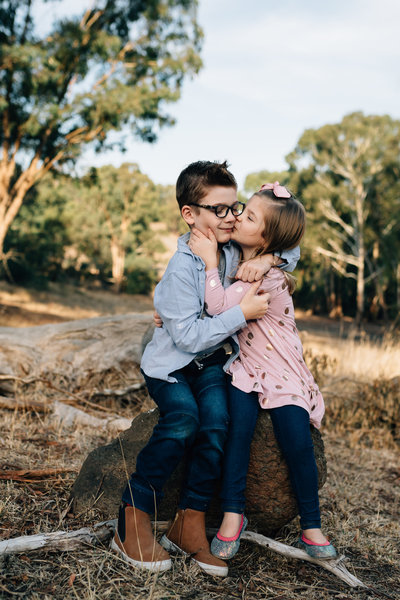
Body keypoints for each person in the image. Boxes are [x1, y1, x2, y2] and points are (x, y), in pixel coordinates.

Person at [111, 162, 299, 576]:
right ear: (190, 214)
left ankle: (189, 522)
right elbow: (187, 339)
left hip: (213, 360)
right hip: (173, 366)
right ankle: (134, 513)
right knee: (183, 421)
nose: (232, 218)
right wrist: (242, 313)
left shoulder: (234, 245)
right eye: (220, 209)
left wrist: (268, 260)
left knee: (216, 423)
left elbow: (291, 243)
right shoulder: (181, 269)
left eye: (237, 207)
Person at [188, 181, 337, 561]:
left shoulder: (265, 275)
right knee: (238, 435)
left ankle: (312, 524)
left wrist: (259, 261)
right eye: (243, 209)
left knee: (297, 443)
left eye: (249, 216)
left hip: (283, 371)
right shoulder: (239, 251)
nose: (238, 216)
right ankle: (233, 514)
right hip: (245, 366)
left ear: (268, 237)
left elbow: (221, 306)